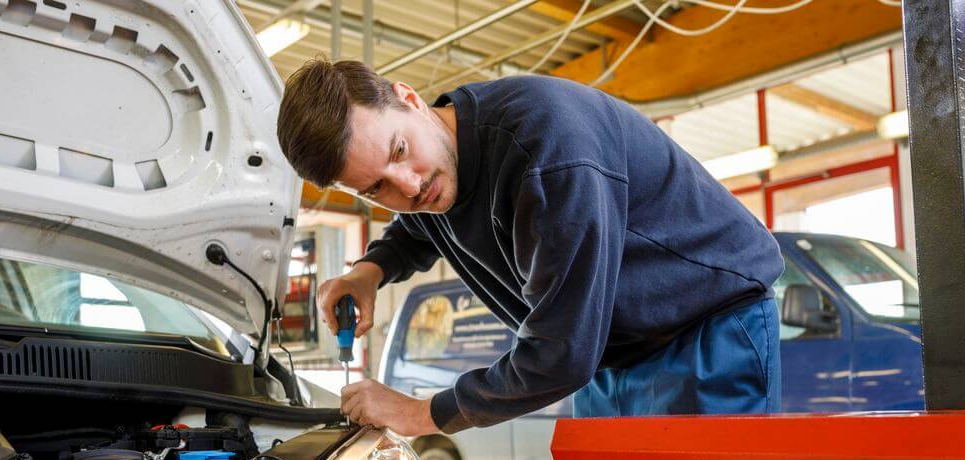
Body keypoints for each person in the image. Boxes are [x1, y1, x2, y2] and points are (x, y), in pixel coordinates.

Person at [276, 58, 784, 436]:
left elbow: (559, 354)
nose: (407, 187)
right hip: (612, 357)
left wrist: (420, 413)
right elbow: (423, 224)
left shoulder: (548, 152)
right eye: (376, 189)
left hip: (708, 330)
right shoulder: (437, 168)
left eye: (400, 151)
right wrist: (370, 271)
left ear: (408, 98)